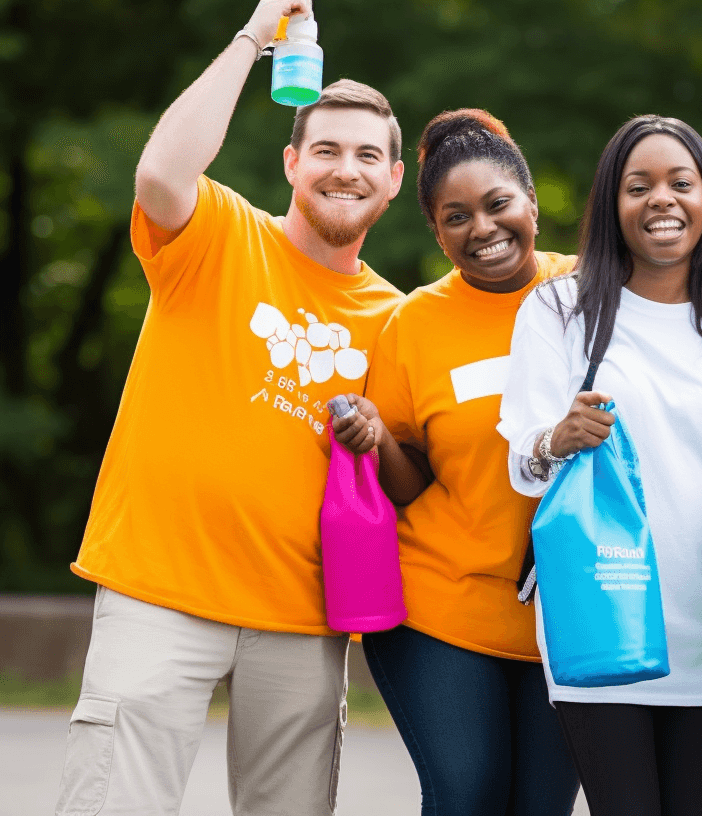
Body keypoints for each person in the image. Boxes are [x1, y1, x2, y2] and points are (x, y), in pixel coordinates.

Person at [56, 2, 407, 814]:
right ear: (292, 163)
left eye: (366, 155)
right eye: (324, 150)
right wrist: (258, 36)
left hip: (303, 614)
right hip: (159, 591)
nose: (343, 168)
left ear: (393, 180)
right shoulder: (219, 233)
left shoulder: (397, 318)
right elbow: (159, 177)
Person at [497, 115, 702, 816]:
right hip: (602, 619)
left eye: (682, 182)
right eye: (637, 186)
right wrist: (559, 437)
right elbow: (522, 459)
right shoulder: (559, 310)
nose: (662, 200)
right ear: (612, 206)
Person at [328, 109, 580, 815]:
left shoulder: (592, 291)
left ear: (531, 203)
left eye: (498, 205)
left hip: (567, 614)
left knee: (540, 806)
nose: (483, 228)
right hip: (442, 607)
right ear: (436, 232)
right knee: (467, 792)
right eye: (456, 216)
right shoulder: (414, 324)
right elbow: (410, 485)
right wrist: (377, 440)